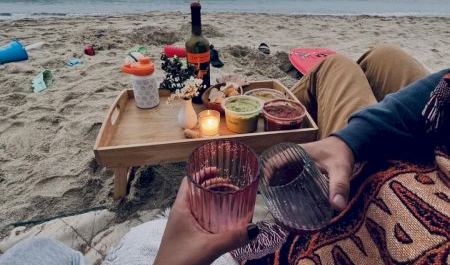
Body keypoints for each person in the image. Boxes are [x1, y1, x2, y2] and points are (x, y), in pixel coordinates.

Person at [1, 45, 448, 264]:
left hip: (378, 198)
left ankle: (287, 109)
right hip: (427, 155)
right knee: (383, 57)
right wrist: (348, 141)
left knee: (36, 253)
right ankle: (292, 113)